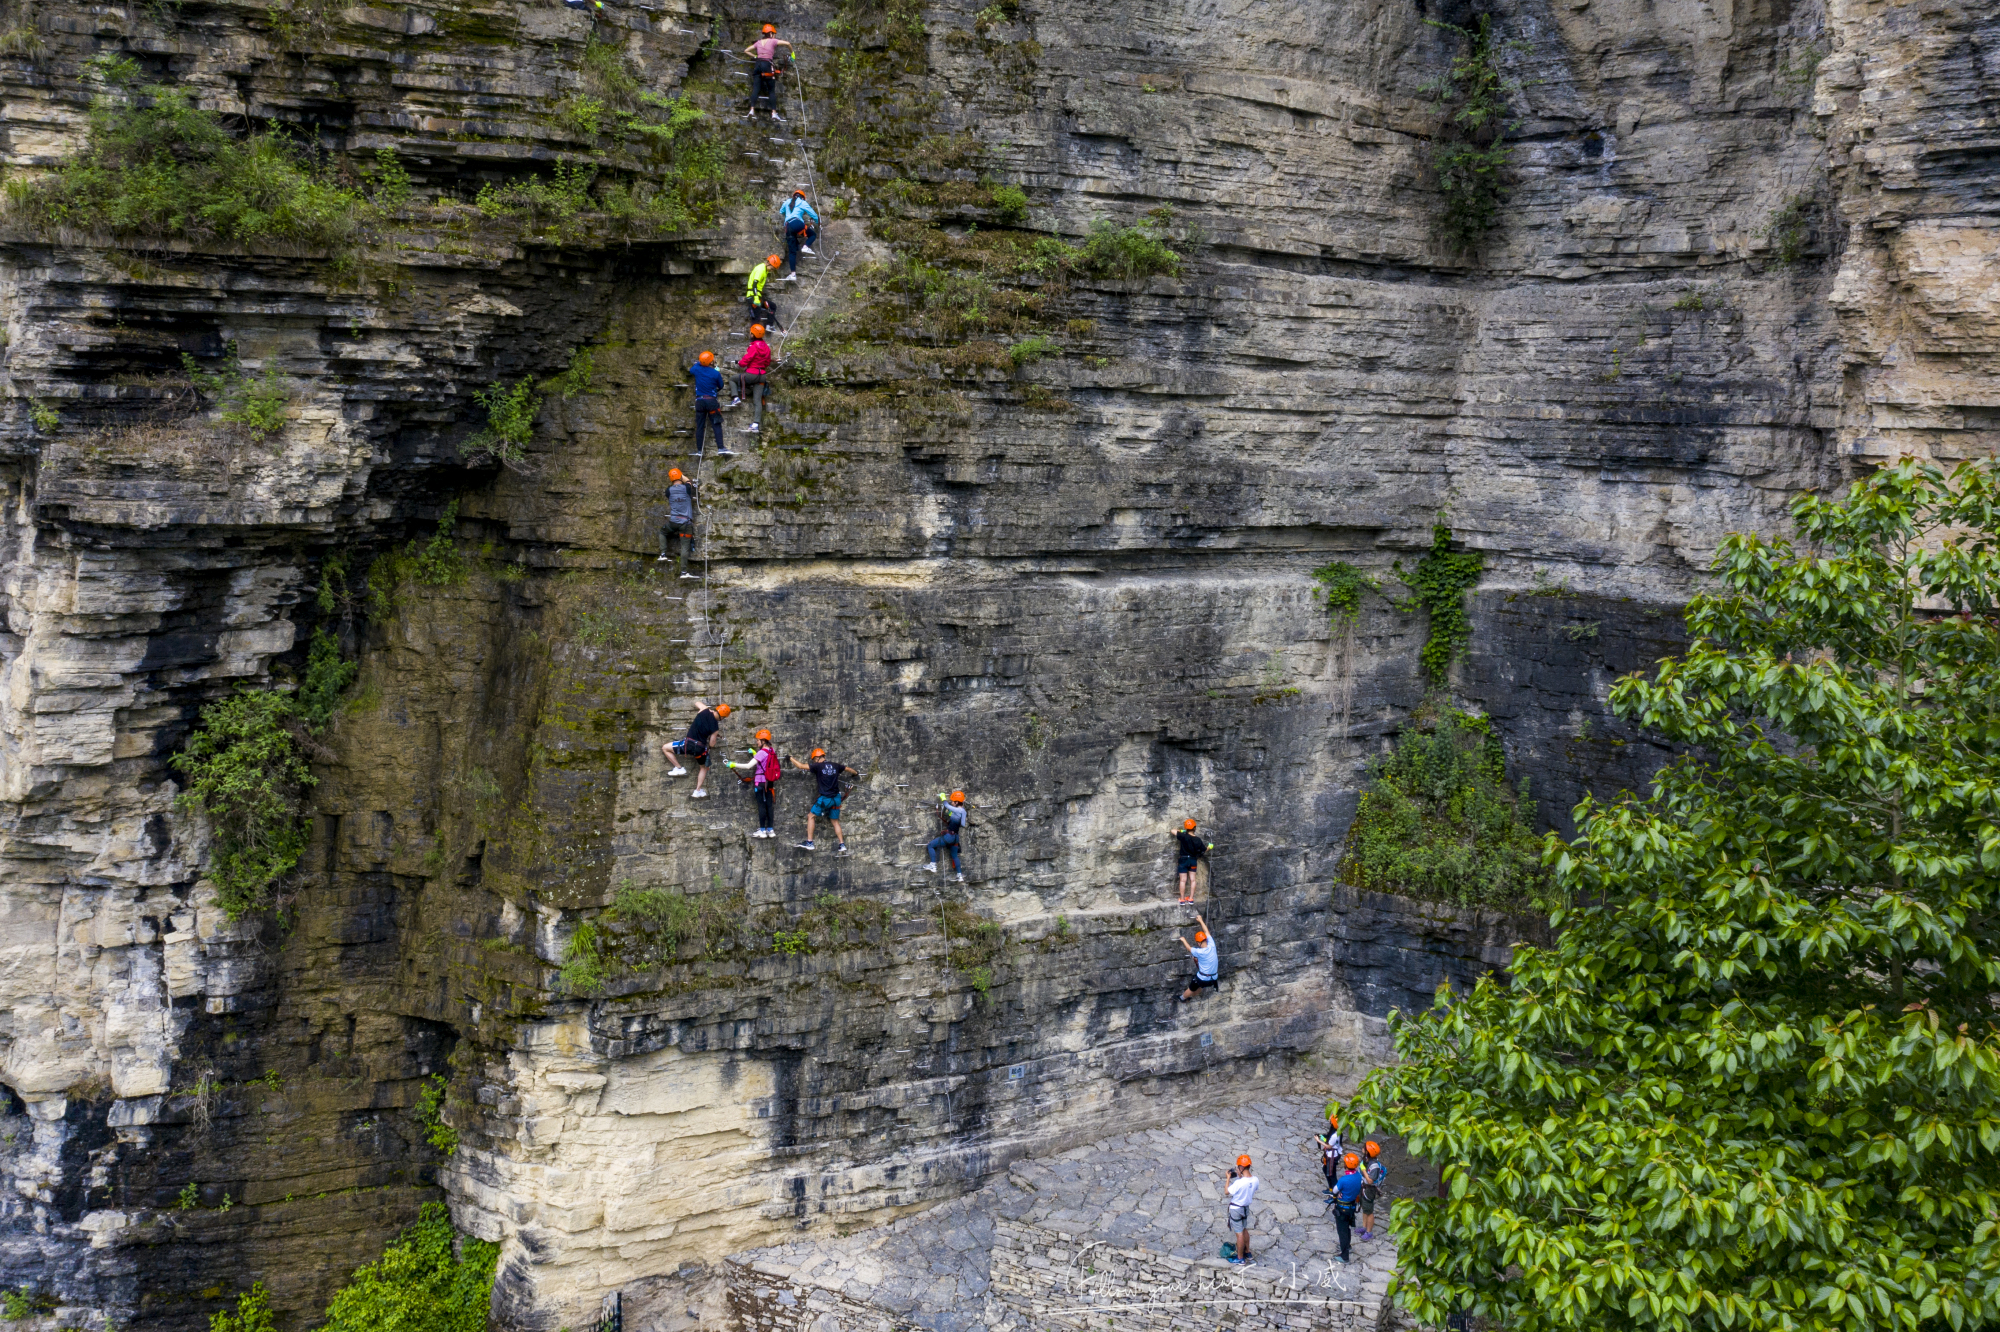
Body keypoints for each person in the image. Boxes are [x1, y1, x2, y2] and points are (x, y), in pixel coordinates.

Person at [790, 747, 857, 853]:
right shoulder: (836, 765)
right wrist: (856, 774)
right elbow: (849, 769)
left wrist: (790, 758)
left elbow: (800, 766)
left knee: (811, 816)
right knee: (835, 822)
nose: (813, 762)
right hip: (836, 799)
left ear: (816, 758)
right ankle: (842, 844)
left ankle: (810, 842)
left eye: (813, 760)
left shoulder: (817, 766)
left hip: (825, 799)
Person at [663, 702, 729, 797]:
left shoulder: (704, 710)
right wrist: (712, 737)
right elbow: (712, 744)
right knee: (703, 768)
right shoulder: (715, 728)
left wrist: (707, 708)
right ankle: (697, 791)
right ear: (722, 717)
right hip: (700, 748)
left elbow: (696, 702)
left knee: (665, 748)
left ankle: (679, 768)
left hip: (688, 744)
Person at [725, 730, 781, 837]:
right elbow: (764, 762)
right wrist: (755, 754)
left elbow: (748, 766)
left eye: (758, 740)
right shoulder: (771, 751)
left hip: (760, 782)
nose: (757, 742)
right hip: (769, 782)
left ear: (763, 741)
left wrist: (733, 764)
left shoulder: (761, 752)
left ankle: (762, 831)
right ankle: (770, 829)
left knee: (761, 806)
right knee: (769, 806)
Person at [684, 351, 732, 460]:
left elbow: (691, 370)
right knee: (716, 424)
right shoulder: (715, 373)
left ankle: (699, 450)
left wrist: (699, 363)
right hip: (711, 402)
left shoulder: (696, 369)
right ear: (711, 361)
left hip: (699, 401)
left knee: (700, 426)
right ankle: (720, 448)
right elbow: (721, 385)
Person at [743, 24, 792, 121]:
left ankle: (751, 110)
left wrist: (756, 56)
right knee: (771, 90)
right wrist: (792, 53)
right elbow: (787, 44)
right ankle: (773, 113)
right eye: (774, 33)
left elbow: (746, 50)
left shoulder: (758, 42)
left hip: (758, 65)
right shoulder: (773, 41)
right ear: (770, 33)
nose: (774, 35)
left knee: (756, 88)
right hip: (767, 65)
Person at [731, 325, 774, 434]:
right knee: (757, 401)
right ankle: (755, 424)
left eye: (750, 333)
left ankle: (735, 398)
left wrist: (740, 363)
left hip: (751, 374)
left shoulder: (754, 346)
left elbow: (746, 359)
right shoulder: (766, 347)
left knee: (732, 379)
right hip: (762, 375)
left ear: (753, 334)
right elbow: (767, 362)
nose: (749, 334)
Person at [658, 468, 699, 578]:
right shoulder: (686, 489)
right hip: (686, 524)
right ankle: (683, 572)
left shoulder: (668, 490)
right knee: (684, 547)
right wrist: (683, 476)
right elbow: (689, 482)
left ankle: (662, 554)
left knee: (663, 532)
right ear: (680, 477)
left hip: (674, 522)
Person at [1331, 1152, 1366, 1263]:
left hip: (1342, 1208)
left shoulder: (1343, 1180)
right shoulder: (1359, 1176)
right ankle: (1348, 1246)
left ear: (1346, 1165)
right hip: (1351, 1207)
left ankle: (1344, 1256)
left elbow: (1335, 1190)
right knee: (1347, 1228)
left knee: (1342, 1231)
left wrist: (1340, 1192)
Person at [924, 790, 967, 881]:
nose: (951, 803)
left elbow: (947, 805)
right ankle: (959, 875)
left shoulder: (958, 809)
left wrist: (943, 798)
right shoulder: (963, 811)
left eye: (953, 801)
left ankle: (933, 865)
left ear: (956, 802)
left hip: (949, 837)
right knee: (954, 855)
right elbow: (962, 824)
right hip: (955, 838)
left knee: (930, 845)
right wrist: (953, 815)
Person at [1224, 1154, 1257, 1265]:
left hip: (1236, 1209)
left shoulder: (1239, 1183)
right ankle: (1247, 1252)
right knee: (1244, 1229)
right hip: (1245, 1208)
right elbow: (1247, 1186)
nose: (1237, 1168)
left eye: (1238, 1167)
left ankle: (1240, 1258)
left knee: (1239, 1234)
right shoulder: (1255, 1180)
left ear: (1242, 1168)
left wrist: (1228, 1178)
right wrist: (1240, 1176)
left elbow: (1227, 1191)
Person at [1177, 913, 1217, 1001]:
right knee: (1200, 985)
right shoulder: (1212, 945)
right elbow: (1207, 932)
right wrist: (1201, 920)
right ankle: (1191, 995)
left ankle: (1182, 998)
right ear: (1205, 939)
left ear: (1198, 943)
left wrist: (1183, 940)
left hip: (1203, 978)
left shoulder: (1199, 951)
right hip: (1213, 978)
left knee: (1191, 988)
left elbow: (1189, 948)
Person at [779, 188, 819, 277]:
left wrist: (788, 212)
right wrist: (818, 221)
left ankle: (793, 274)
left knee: (792, 252)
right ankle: (805, 246)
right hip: (796, 223)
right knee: (812, 234)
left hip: (787, 226)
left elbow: (781, 211)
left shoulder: (787, 202)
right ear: (802, 197)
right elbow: (812, 214)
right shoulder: (802, 202)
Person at [1173, 817, 1211, 905]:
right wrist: (1210, 847)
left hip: (1183, 859)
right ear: (1195, 828)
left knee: (1183, 880)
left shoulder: (1183, 836)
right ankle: (1190, 899)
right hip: (1193, 860)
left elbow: (1173, 831)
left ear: (1186, 828)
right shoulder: (1198, 840)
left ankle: (1182, 899)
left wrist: (1182, 831)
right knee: (1193, 880)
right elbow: (1204, 849)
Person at [745, 255, 784, 331]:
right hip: (753, 297)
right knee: (756, 319)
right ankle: (754, 341)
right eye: (772, 268)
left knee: (772, 306)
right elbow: (754, 284)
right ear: (769, 264)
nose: (772, 270)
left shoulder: (765, 270)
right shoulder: (761, 269)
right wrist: (756, 298)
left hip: (757, 296)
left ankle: (769, 325)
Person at [1358, 1140, 1387, 1240]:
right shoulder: (1368, 1160)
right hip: (1364, 1188)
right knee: (1365, 1208)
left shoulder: (1374, 1166)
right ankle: (1364, 1227)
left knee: (1369, 1211)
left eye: (1364, 1148)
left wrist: (1363, 1170)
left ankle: (1369, 1232)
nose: (1362, 1149)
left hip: (1369, 1190)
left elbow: (1370, 1180)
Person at [1318, 1113, 1345, 1193]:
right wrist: (1321, 1137)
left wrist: (1318, 1140)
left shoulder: (1335, 1135)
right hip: (1330, 1154)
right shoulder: (1335, 1132)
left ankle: (1334, 1192)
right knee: (1326, 1170)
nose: (1329, 1120)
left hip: (1332, 1156)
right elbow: (1328, 1140)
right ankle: (1331, 1189)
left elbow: (1329, 1145)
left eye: (1330, 1119)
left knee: (1331, 1174)